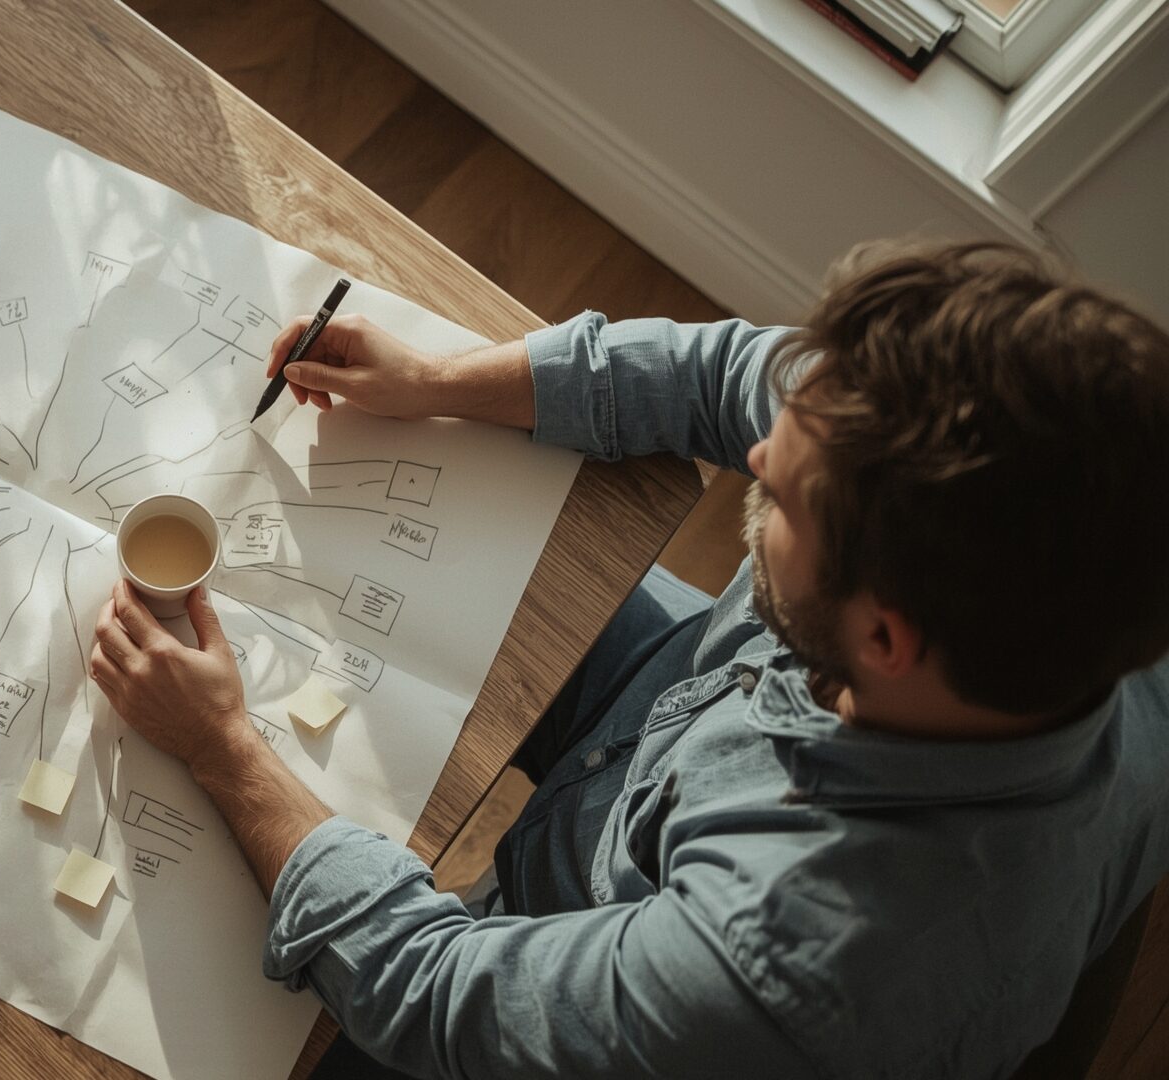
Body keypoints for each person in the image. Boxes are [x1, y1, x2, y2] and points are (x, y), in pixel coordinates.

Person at [85, 241, 1169, 1078]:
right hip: (672, 714)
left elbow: (437, 993)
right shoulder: (1068, 529)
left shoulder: (787, 971)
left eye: (779, 498)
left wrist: (225, 748)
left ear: (884, 639)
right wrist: (445, 378)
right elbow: (732, 370)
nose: (753, 453)